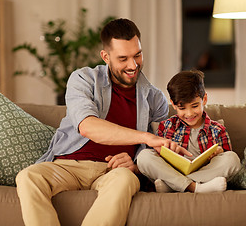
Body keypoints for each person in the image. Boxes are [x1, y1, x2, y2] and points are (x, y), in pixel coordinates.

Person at [15, 18, 190, 226]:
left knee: (126, 180)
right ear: (105, 57)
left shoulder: (155, 98)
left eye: (138, 55)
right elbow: (88, 126)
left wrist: (135, 165)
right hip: (68, 166)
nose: (133, 65)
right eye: (123, 58)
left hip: (114, 172)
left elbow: (159, 153)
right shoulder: (83, 80)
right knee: (28, 177)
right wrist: (146, 137)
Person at [137, 70, 241, 193]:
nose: (190, 113)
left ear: (205, 99)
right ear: (173, 104)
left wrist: (219, 152)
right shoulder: (166, 126)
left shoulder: (218, 130)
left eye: (195, 106)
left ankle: (174, 185)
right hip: (174, 171)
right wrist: (165, 152)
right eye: (182, 108)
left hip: (204, 173)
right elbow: (158, 159)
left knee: (232, 159)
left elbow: (226, 161)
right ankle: (196, 187)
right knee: (144, 157)